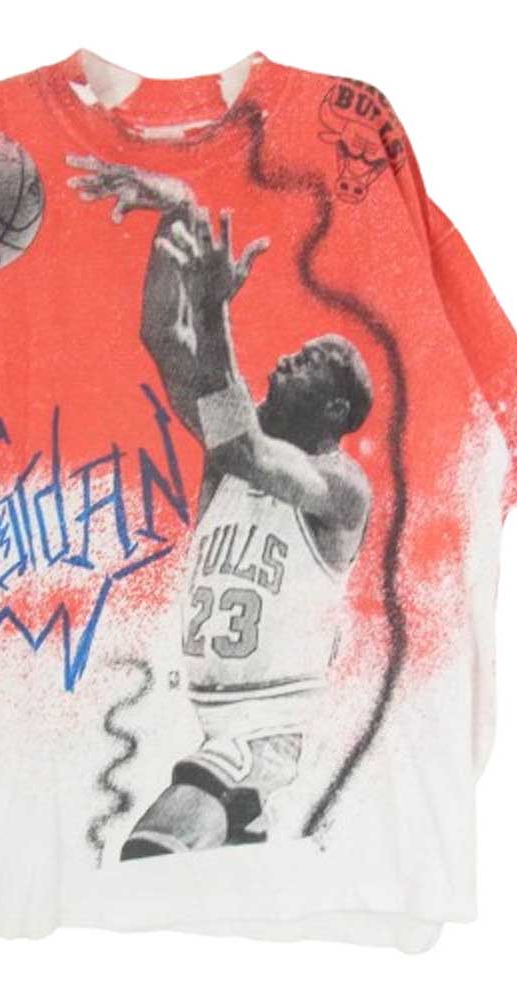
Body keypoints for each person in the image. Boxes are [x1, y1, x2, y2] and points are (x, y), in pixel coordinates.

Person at [66, 155, 373, 857]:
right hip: (218, 726)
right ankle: (247, 823)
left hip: (270, 730)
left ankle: (246, 808)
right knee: (195, 876)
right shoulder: (230, 446)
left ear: (334, 409)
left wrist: (213, 307)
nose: (291, 355)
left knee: (147, 861)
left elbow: (247, 450)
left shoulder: (341, 487)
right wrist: (178, 210)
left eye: (312, 359)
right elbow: (162, 337)